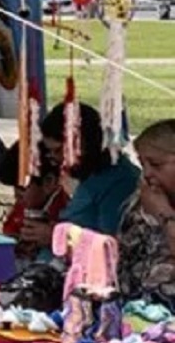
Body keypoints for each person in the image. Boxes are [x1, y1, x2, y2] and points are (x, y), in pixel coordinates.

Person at [32, 102, 139, 240]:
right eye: (50, 153)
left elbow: (110, 245)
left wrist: (55, 237)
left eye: (59, 151)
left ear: (84, 143)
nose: (56, 159)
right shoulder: (89, 175)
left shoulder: (119, 181)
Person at [119, 120, 175, 306]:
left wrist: (164, 214)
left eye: (156, 165)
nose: (148, 173)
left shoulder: (157, 203)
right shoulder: (143, 199)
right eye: (143, 165)